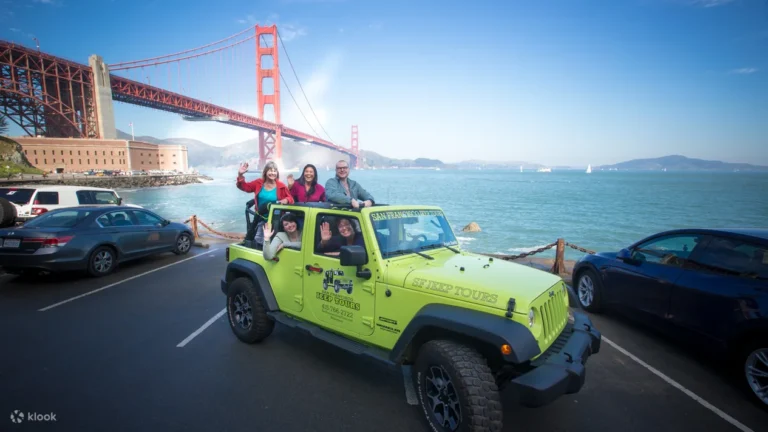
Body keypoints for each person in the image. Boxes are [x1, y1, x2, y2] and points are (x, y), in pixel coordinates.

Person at [236, 161, 294, 244]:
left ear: (277, 173)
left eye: (274, 171)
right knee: (259, 242)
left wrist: (286, 200)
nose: (272, 173)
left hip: (276, 220)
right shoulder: (258, 183)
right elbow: (245, 187)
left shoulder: (281, 186)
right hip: (260, 219)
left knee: (274, 243)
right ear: (265, 172)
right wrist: (240, 175)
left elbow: (291, 199)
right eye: (270, 170)